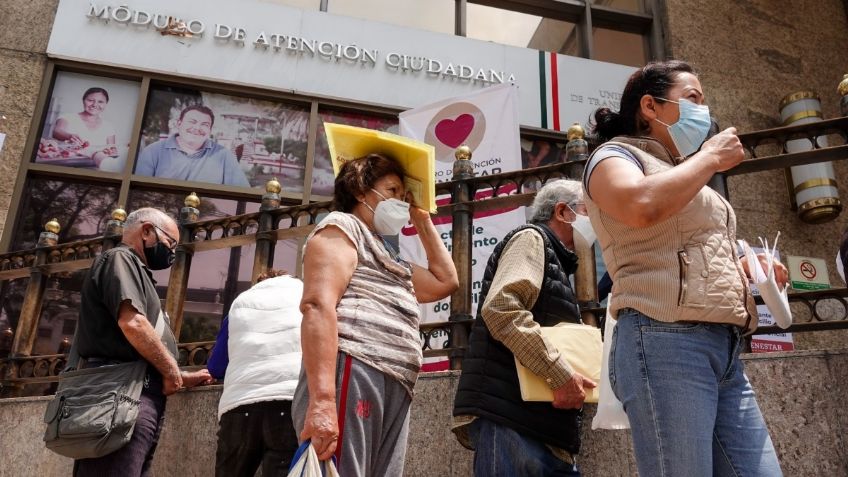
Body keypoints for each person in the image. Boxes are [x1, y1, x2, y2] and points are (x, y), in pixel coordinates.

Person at [584, 60, 788, 476]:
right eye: (693, 99)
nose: (704, 111)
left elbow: (689, 242)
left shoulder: (681, 171)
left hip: (724, 346)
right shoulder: (613, 156)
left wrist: (747, 261)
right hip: (665, 339)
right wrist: (710, 157)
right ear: (651, 107)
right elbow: (640, 205)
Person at [293, 150, 458, 476]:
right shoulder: (342, 227)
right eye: (393, 191)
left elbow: (446, 280)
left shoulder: (389, 255)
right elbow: (317, 305)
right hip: (356, 368)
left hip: (395, 382)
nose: (400, 201)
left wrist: (422, 218)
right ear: (359, 190)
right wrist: (323, 401)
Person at [452, 179, 596, 476]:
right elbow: (503, 309)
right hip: (515, 426)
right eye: (588, 210)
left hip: (541, 430)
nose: (597, 220)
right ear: (562, 212)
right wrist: (560, 374)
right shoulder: (532, 239)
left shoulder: (556, 259)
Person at [73, 207, 212, 476]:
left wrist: (179, 375)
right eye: (170, 243)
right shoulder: (120, 260)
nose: (171, 252)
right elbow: (133, 324)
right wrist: (172, 372)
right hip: (119, 395)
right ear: (147, 231)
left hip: (132, 395)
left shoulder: (137, 271)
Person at [207, 269, 303, 477]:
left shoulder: (241, 303)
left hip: (239, 407)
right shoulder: (305, 295)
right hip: (288, 403)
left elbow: (216, 366)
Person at [135, 105, 250, 187]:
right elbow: (137, 188)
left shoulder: (224, 156)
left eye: (204, 125)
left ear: (210, 130)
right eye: (192, 122)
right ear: (179, 124)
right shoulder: (153, 152)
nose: (197, 128)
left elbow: (242, 192)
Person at [51, 87, 120, 169]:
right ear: (83, 100)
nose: (95, 105)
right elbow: (56, 131)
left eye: (100, 102)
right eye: (90, 100)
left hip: (97, 169)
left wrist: (112, 151)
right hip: (67, 167)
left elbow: (111, 150)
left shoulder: (108, 126)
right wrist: (69, 136)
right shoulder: (68, 117)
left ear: (106, 104)